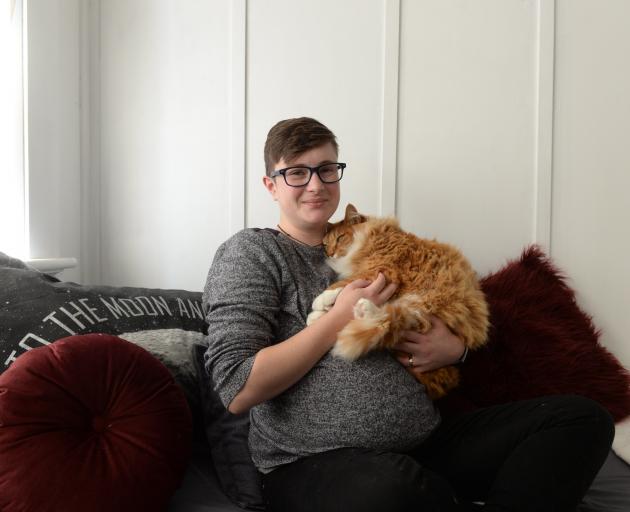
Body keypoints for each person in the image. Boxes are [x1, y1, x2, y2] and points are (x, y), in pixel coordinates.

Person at [203, 117, 614, 511]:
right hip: (311, 463)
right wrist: (337, 318)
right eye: (297, 173)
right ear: (271, 186)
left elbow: (441, 310)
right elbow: (237, 389)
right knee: (390, 489)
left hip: (427, 445)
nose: (315, 185)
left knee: (581, 418)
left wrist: (457, 351)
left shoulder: (377, 245)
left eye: (326, 169)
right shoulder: (251, 252)